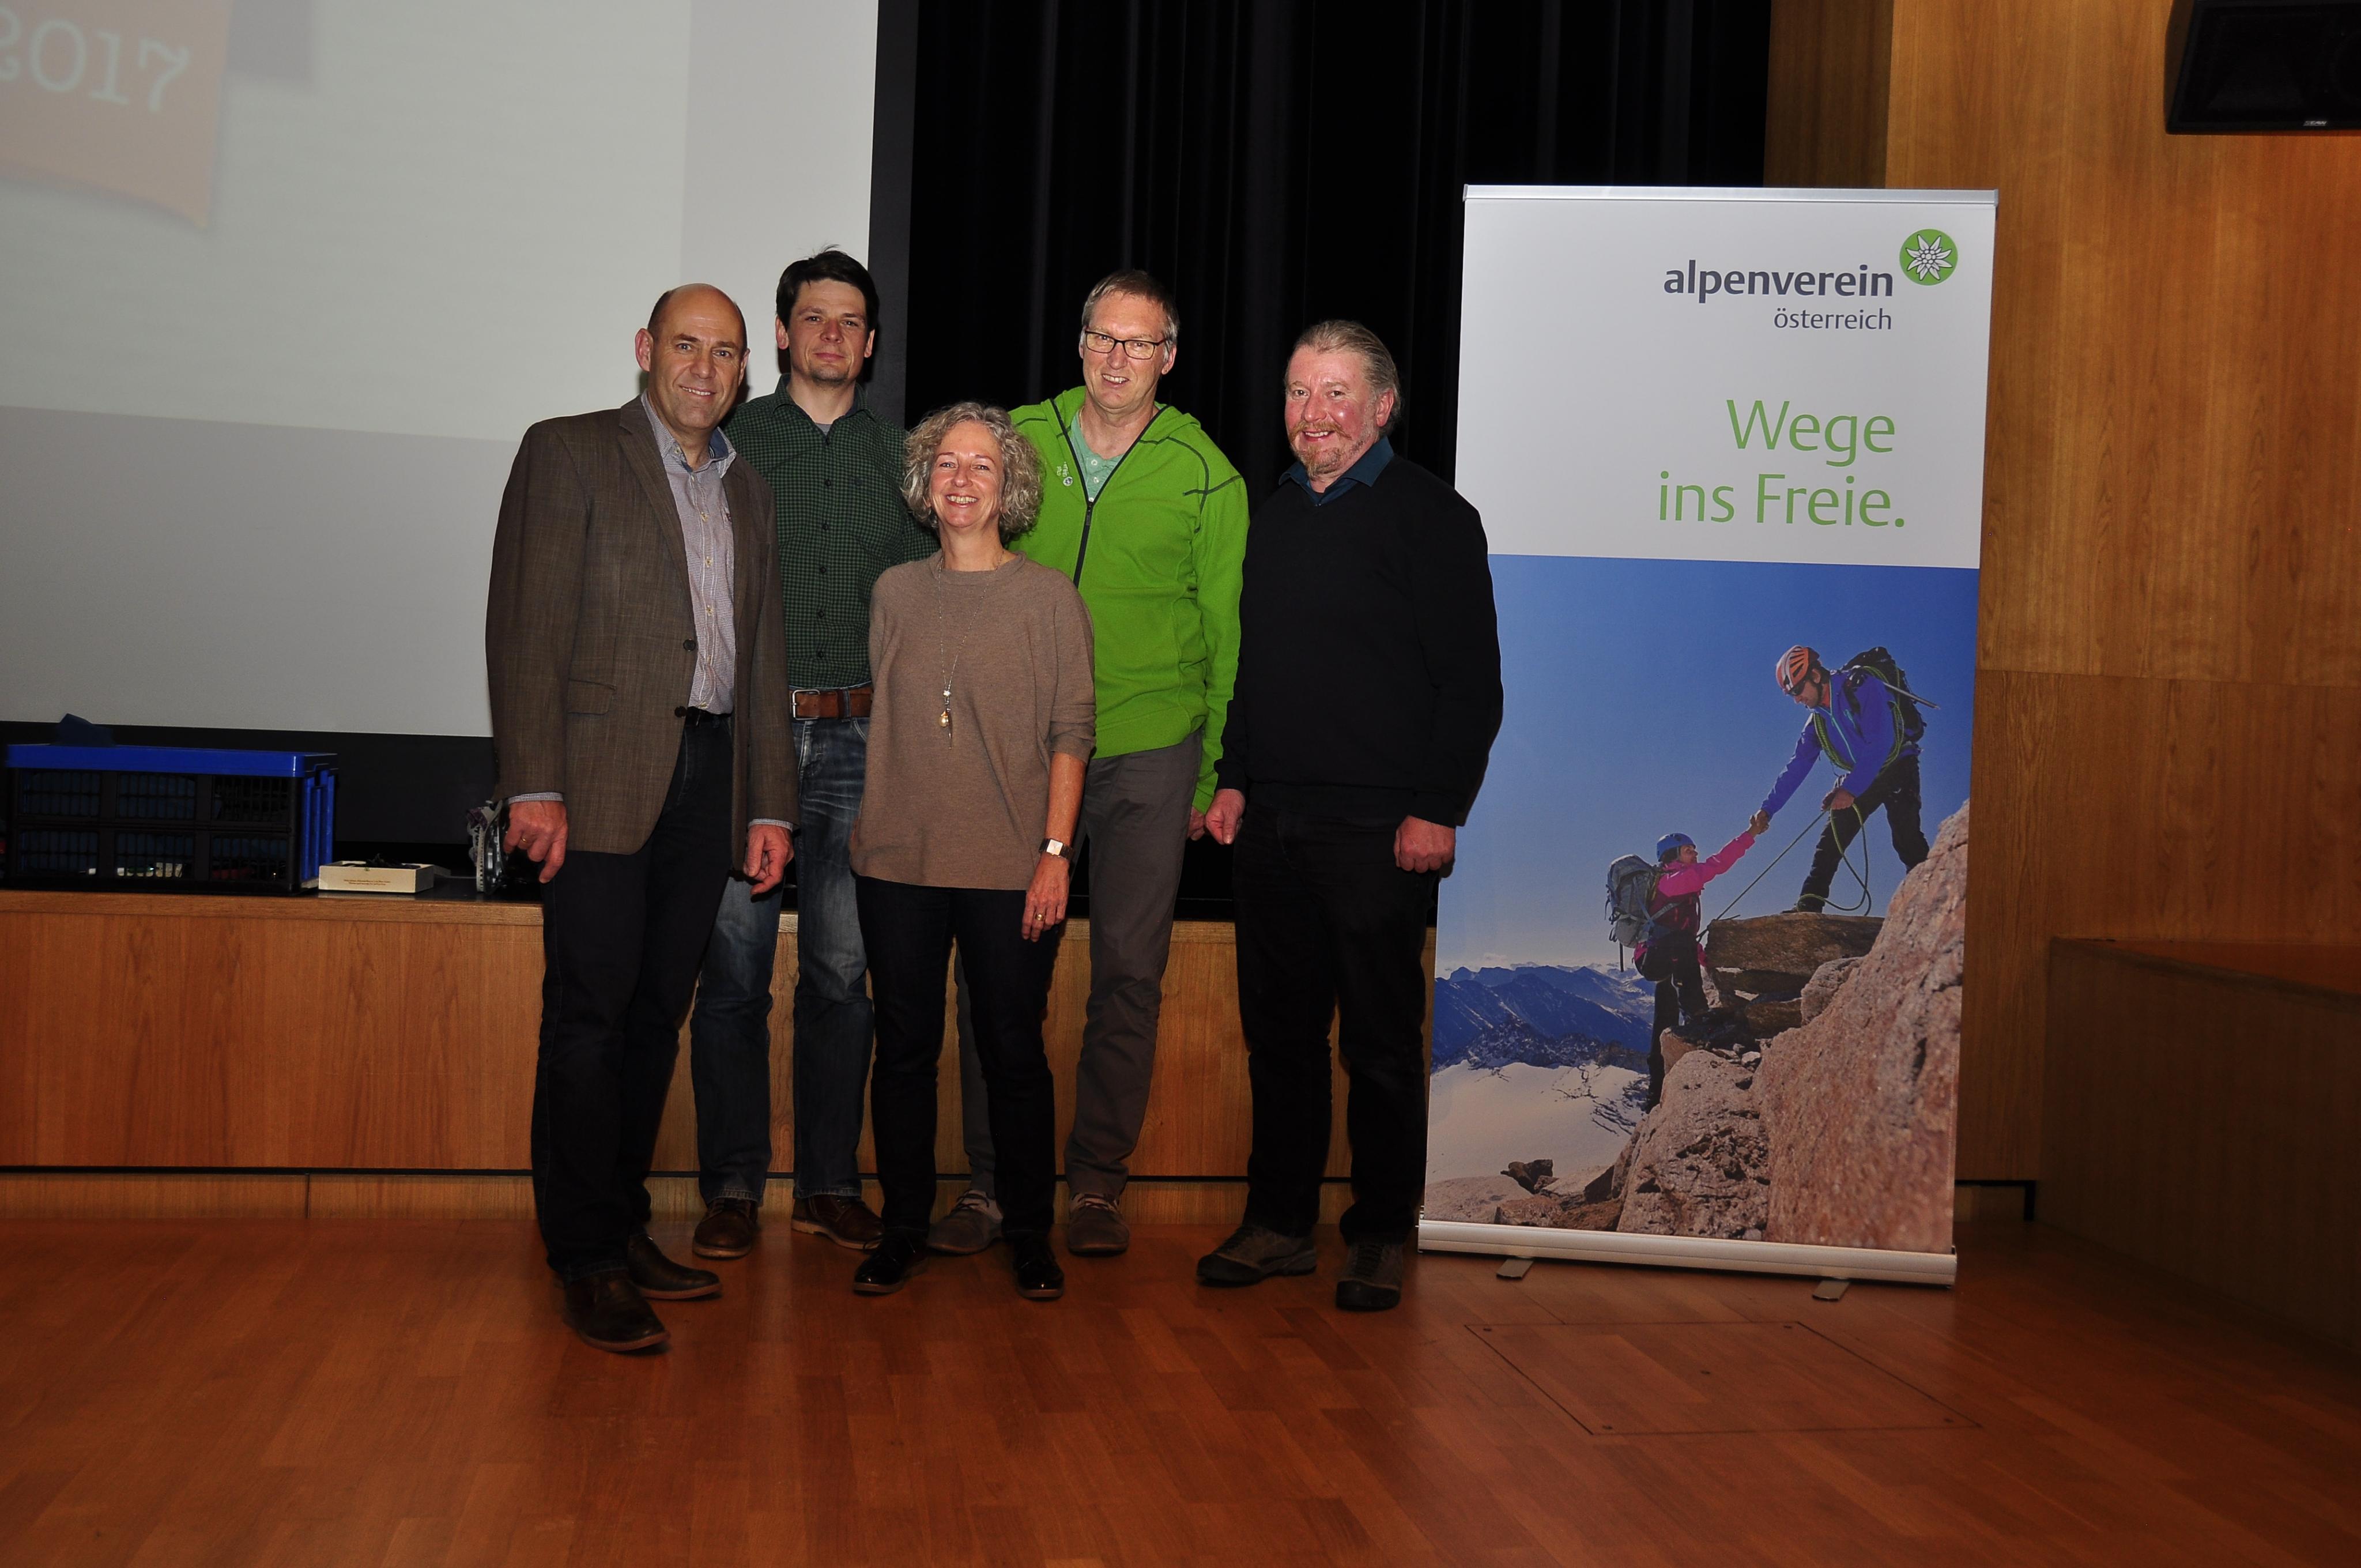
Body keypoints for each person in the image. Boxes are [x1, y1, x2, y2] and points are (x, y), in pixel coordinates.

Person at [486, 284, 797, 1354]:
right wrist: (534, 783)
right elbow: (526, 625)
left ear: (745, 371)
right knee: (589, 1019)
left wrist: (769, 802)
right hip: (594, 781)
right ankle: (583, 1257)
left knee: (658, 1014)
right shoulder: (568, 450)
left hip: (710, 779)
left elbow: (761, 656)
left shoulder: (748, 489)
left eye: (726, 353)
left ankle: (620, 1227)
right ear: (645, 350)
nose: (705, 369)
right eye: (686, 345)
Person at [931, 269, 1248, 1260]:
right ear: (1079, 344)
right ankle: (991, 1183)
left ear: (1169, 357)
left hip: (1150, 753)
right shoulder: (1019, 438)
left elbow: (1228, 635)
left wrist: (1212, 773)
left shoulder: (1207, 475)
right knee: (998, 975)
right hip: (1020, 752)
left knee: (1128, 976)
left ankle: (1099, 1185)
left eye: (1139, 342)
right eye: (1103, 337)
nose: (1118, 358)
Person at [1200, 321, 1501, 1313]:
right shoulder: (1276, 515)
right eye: (1299, 392)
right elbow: (1253, 671)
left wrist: (1435, 809)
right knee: (1280, 1041)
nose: (1313, 413)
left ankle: (1377, 1233)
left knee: (1378, 1046)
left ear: (1382, 407)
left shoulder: (1434, 517)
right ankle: (1280, 1224)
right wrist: (1233, 779)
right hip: (1271, 828)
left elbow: (1471, 686)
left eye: (1336, 393)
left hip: (1380, 834)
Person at [684, 251, 933, 1262]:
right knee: (734, 975)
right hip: (750, 740)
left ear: (870, 345)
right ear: (782, 336)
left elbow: (930, 609)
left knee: (841, 975)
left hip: (866, 741)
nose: (833, 335)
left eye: (851, 321)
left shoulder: (904, 461)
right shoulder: (730, 445)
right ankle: (732, 1189)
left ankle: (829, 1183)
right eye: (815, 318)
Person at [848, 402, 1095, 1301]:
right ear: (925, 483)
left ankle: (1029, 1233)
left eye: (981, 466)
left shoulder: (1049, 599)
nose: (962, 479)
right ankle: (903, 1229)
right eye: (946, 464)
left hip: (1009, 868)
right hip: (898, 863)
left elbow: (1072, 733)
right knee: (904, 1051)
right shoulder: (893, 593)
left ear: (1009, 486)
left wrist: (1055, 852)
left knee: (1012, 1052)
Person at [1761, 645, 1930, 912]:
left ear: (1815, 676)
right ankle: (1808, 906)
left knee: (1906, 837)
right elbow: (1797, 766)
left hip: (1898, 765)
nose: (1796, 699)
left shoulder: (1861, 685)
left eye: (1797, 690)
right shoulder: (1817, 722)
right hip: (1862, 774)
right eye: (1791, 694)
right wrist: (1768, 810)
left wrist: (1850, 789)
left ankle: (1930, 901)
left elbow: (1880, 742)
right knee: (1831, 840)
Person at [1635, 817, 1764, 1110]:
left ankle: (1655, 1094)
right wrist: (1751, 834)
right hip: (1657, 958)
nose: (1695, 853)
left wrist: (1706, 961)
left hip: (1659, 957)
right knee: (1671, 1007)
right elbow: (1718, 865)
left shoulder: (1675, 885)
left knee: (1664, 1023)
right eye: (1688, 850)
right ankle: (1697, 1013)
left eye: (1694, 849)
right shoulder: (1674, 882)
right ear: (1673, 855)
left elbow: (1682, 936)